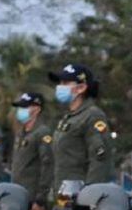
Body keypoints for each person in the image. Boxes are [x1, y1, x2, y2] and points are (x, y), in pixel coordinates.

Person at [49, 63, 115, 194]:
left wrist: (90, 195)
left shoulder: (92, 116)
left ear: (81, 88)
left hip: (80, 194)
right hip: (63, 193)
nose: (60, 87)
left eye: (65, 83)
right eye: (60, 82)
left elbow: (99, 160)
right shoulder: (68, 118)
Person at [11, 92, 54, 210]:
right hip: (17, 195)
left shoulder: (42, 133)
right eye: (20, 107)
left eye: (25, 107)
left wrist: (40, 199)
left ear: (37, 109)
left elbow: (48, 166)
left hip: (33, 198)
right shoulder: (21, 134)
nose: (20, 110)